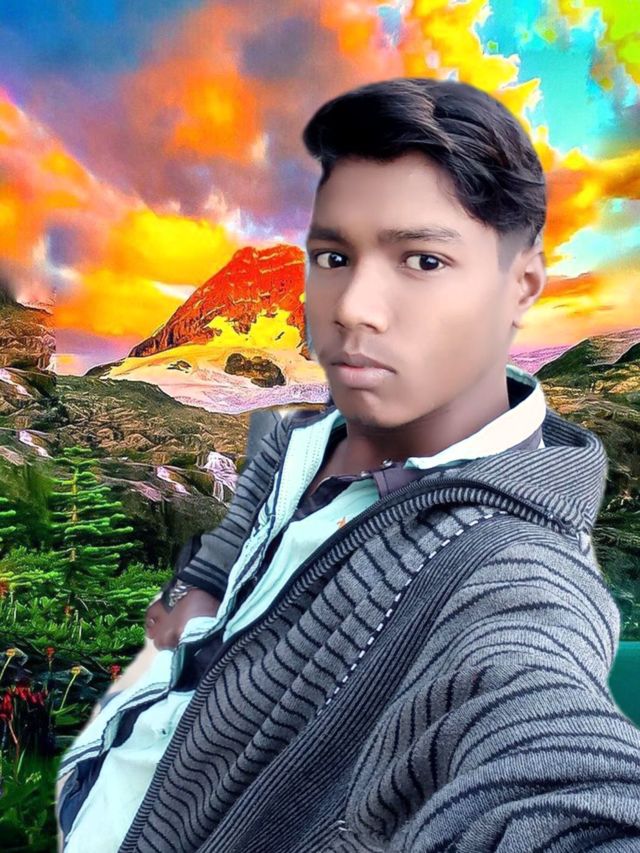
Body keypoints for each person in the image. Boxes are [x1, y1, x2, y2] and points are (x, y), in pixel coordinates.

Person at [55, 77, 640, 852]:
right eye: (334, 255)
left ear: (521, 285)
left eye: (422, 259)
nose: (352, 305)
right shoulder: (297, 440)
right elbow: (240, 536)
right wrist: (197, 596)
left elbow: (536, 732)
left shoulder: (512, 571)